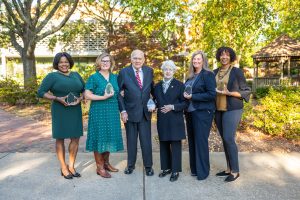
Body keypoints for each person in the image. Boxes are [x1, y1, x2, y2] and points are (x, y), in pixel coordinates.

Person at [37, 52, 84, 179]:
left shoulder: (76, 75)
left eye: (66, 62)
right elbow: (41, 92)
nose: (64, 64)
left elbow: (84, 90)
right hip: (60, 110)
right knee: (60, 138)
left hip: (75, 109)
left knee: (75, 138)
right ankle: (63, 167)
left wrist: (81, 98)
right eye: (61, 62)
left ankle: (71, 166)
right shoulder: (52, 76)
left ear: (70, 63)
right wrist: (56, 98)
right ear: (57, 64)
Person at [214, 46, 251, 182]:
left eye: (227, 55)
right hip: (218, 109)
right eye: (222, 55)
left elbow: (245, 91)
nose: (224, 57)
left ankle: (235, 171)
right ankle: (229, 168)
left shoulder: (237, 72)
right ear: (219, 57)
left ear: (231, 57)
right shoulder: (214, 72)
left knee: (229, 138)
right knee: (224, 139)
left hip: (233, 109)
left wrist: (229, 93)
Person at [84, 52, 124, 178]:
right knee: (99, 136)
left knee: (109, 136)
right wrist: (103, 97)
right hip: (98, 110)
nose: (105, 63)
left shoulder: (115, 77)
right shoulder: (94, 77)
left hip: (112, 111)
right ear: (99, 63)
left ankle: (106, 163)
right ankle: (99, 167)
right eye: (103, 61)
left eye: (108, 61)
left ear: (111, 63)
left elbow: (119, 93)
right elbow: (87, 94)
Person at [118, 49, 154, 176]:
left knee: (146, 141)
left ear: (144, 60)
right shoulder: (124, 72)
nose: (137, 61)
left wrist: (153, 103)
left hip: (145, 113)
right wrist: (123, 111)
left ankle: (148, 166)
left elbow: (152, 90)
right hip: (130, 113)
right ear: (131, 59)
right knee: (131, 141)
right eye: (135, 58)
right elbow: (119, 94)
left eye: (140, 58)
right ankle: (130, 165)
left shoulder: (149, 71)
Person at [184, 50, 216, 180]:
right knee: (192, 141)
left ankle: (203, 172)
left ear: (203, 60)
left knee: (201, 141)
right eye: (194, 59)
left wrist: (193, 96)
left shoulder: (208, 74)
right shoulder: (190, 76)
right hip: (190, 113)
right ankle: (195, 169)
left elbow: (211, 94)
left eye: (198, 59)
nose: (196, 61)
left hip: (203, 112)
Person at [153, 60, 187, 182]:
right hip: (162, 119)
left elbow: (185, 103)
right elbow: (154, 101)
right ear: (162, 71)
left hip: (175, 119)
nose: (168, 71)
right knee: (164, 144)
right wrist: (152, 105)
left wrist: (172, 107)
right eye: (166, 69)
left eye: (170, 69)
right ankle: (166, 168)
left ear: (174, 71)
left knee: (175, 145)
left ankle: (175, 170)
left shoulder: (180, 85)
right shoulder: (156, 86)